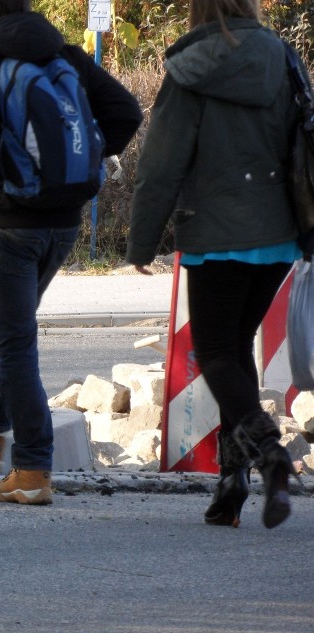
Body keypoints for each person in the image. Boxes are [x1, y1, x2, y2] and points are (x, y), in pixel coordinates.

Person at [0, 0, 142, 504]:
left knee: (15, 343)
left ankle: (32, 468)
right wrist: (88, 156)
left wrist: (3, 170)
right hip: (65, 221)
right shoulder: (66, 54)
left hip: (12, 222)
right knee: (10, 330)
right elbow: (126, 111)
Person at [126, 0, 302, 529]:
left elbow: (161, 161)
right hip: (277, 234)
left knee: (217, 348)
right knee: (234, 354)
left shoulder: (191, 67)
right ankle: (232, 483)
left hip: (216, 233)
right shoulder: (283, 57)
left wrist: (141, 240)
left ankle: (269, 453)